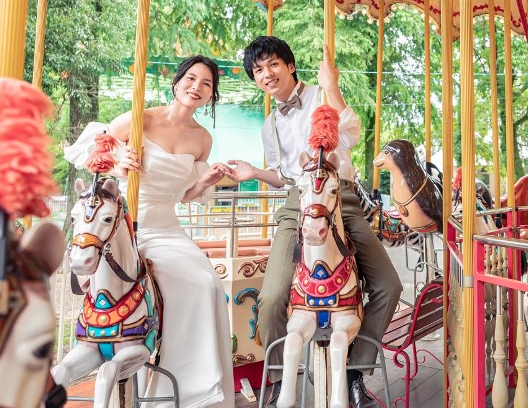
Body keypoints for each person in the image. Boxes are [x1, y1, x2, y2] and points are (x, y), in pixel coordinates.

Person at [227, 37, 402, 408]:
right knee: (272, 296)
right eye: (258, 71)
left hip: (342, 197)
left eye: (272, 64)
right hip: (298, 202)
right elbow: (281, 174)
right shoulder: (269, 124)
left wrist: (332, 86)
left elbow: (351, 134)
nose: (266, 74)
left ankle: (355, 371)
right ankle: (277, 378)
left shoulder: (321, 96)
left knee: (388, 284)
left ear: (290, 66)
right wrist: (254, 171)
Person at [65, 55, 235, 408]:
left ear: (211, 95)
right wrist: (118, 161)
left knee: (206, 285)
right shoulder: (140, 118)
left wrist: (205, 180)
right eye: (191, 78)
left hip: (167, 227)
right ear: (176, 82)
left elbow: (183, 195)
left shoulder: (203, 139)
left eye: (206, 84)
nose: (197, 87)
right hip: (129, 228)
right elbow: (95, 156)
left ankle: (193, 389)